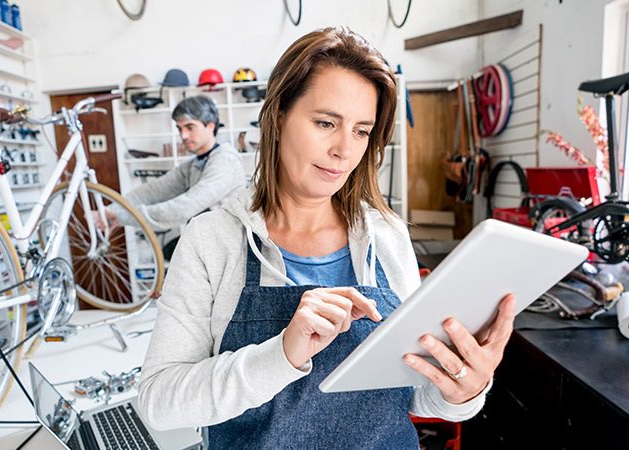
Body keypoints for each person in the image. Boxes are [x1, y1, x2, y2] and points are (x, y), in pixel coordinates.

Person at [138, 27, 516, 449]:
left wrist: (464, 390)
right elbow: (158, 401)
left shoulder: (386, 236)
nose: (344, 150)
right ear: (279, 115)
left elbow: (416, 394)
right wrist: (281, 354)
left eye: (361, 131)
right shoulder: (212, 240)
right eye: (325, 122)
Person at [101, 95, 246, 237]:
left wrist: (120, 216)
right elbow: (153, 191)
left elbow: (184, 208)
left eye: (190, 127)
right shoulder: (194, 164)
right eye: (180, 128)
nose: (183, 135)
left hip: (230, 251)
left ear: (210, 126)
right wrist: (109, 210)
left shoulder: (225, 161)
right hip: (208, 244)